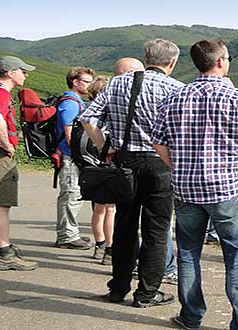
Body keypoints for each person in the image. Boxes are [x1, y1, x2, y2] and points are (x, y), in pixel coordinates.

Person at [152, 38, 238, 330]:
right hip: (227, 188)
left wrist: (177, 165)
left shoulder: (174, 97)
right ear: (220, 62)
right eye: (227, 57)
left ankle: (191, 316)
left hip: (187, 189)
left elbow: (157, 142)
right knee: (237, 255)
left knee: (188, 254)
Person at [81, 39, 184, 307]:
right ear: (172, 62)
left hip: (125, 162)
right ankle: (147, 293)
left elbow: (88, 120)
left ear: (145, 57)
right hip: (161, 165)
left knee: (124, 226)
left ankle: (118, 289)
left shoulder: (117, 83)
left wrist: (107, 148)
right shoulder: (177, 89)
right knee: (156, 231)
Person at [0, 56, 37, 270]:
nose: (26, 74)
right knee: (1, 205)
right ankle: (5, 254)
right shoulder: (1, 92)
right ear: (11, 72)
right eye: (23, 70)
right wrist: (7, 144)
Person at [54, 67, 95, 250]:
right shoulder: (70, 103)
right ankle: (67, 236)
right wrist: (80, 157)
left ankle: (69, 233)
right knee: (71, 195)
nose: (90, 85)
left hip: (71, 156)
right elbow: (69, 133)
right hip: (69, 157)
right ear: (75, 82)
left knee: (72, 195)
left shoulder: (75, 101)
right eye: (87, 82)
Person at [86, 75, 116, 264]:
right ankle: (110, 249)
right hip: (108, 164)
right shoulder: (111, 118)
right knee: (111, 210)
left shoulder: (87, 114)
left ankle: (99, 245)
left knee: (98, 209)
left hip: (91, 166)